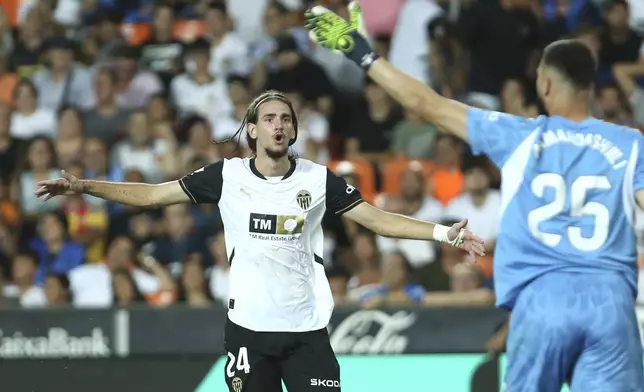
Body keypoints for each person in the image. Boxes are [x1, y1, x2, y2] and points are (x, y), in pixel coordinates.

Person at [35, 90, 485, 392]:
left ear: (292, 131)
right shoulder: (226, 175)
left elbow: (377, 219)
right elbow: (153, 195)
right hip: (248, 330)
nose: (278, 125)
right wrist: (85, 187)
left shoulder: (317, 179)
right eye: (268, 118)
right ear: (251, 130)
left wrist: (444, 232)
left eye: (285, 119)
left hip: (307, 331)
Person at [304, 2, 644, 391]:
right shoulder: (630, 144)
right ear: (589, 86)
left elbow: (425, 103)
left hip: (541, 300)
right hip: (610, 302)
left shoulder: (519, 135)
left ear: (545, 85)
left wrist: (361, 52)